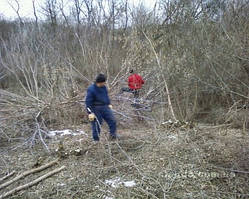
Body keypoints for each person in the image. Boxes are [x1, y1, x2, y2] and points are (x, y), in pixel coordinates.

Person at [85, 74, 117, 141]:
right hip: (95, 108)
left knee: (112, 121)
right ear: (99, 82)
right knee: (96, 125)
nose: (105, 83)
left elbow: (106, 96)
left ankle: (112, 136)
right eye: (104, 82)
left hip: (105, 107)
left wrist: (109, 103)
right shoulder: (91, 89)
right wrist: (90, 113)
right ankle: (96, 141)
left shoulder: (104, 87)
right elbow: (88, 102)